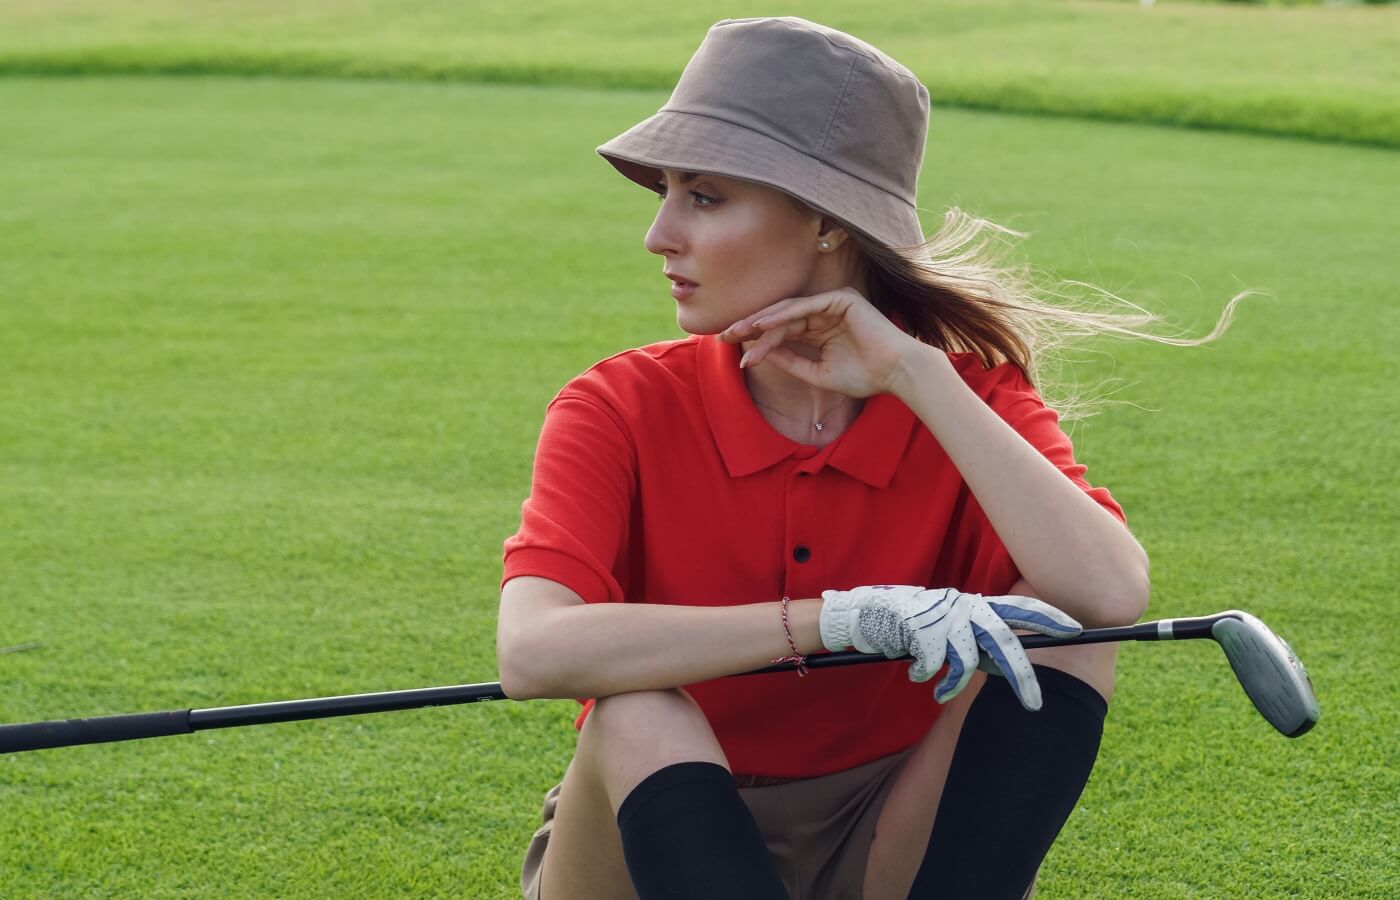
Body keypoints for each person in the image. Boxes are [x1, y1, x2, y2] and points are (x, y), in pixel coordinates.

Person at [497, 16, 1238, 900]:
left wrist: (913, 372)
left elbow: (1108, 594)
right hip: (650, 835)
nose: (659, 235)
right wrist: (836, 619)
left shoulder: (967, 398)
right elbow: (534, 651)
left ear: (824, 222)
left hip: (885, 832)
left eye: (703, 196)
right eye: (665, 192)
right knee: (638, 711)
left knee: (1060, 637)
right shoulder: (616, 404)